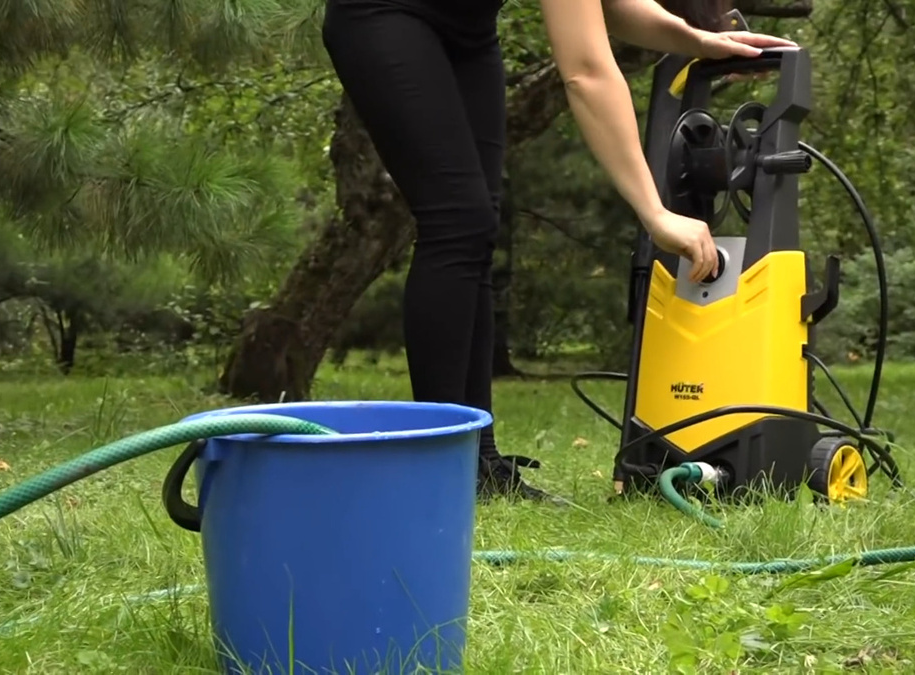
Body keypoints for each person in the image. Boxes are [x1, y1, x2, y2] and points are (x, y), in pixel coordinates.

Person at [321, 0, 796, 503]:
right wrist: (654, 212)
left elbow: (609, 6)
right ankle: (437, 462)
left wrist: (693, 39)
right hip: (383, 15)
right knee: (457, 220)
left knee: (475, 229)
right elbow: (587, 73)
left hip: (466, 30)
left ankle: (478, 459)